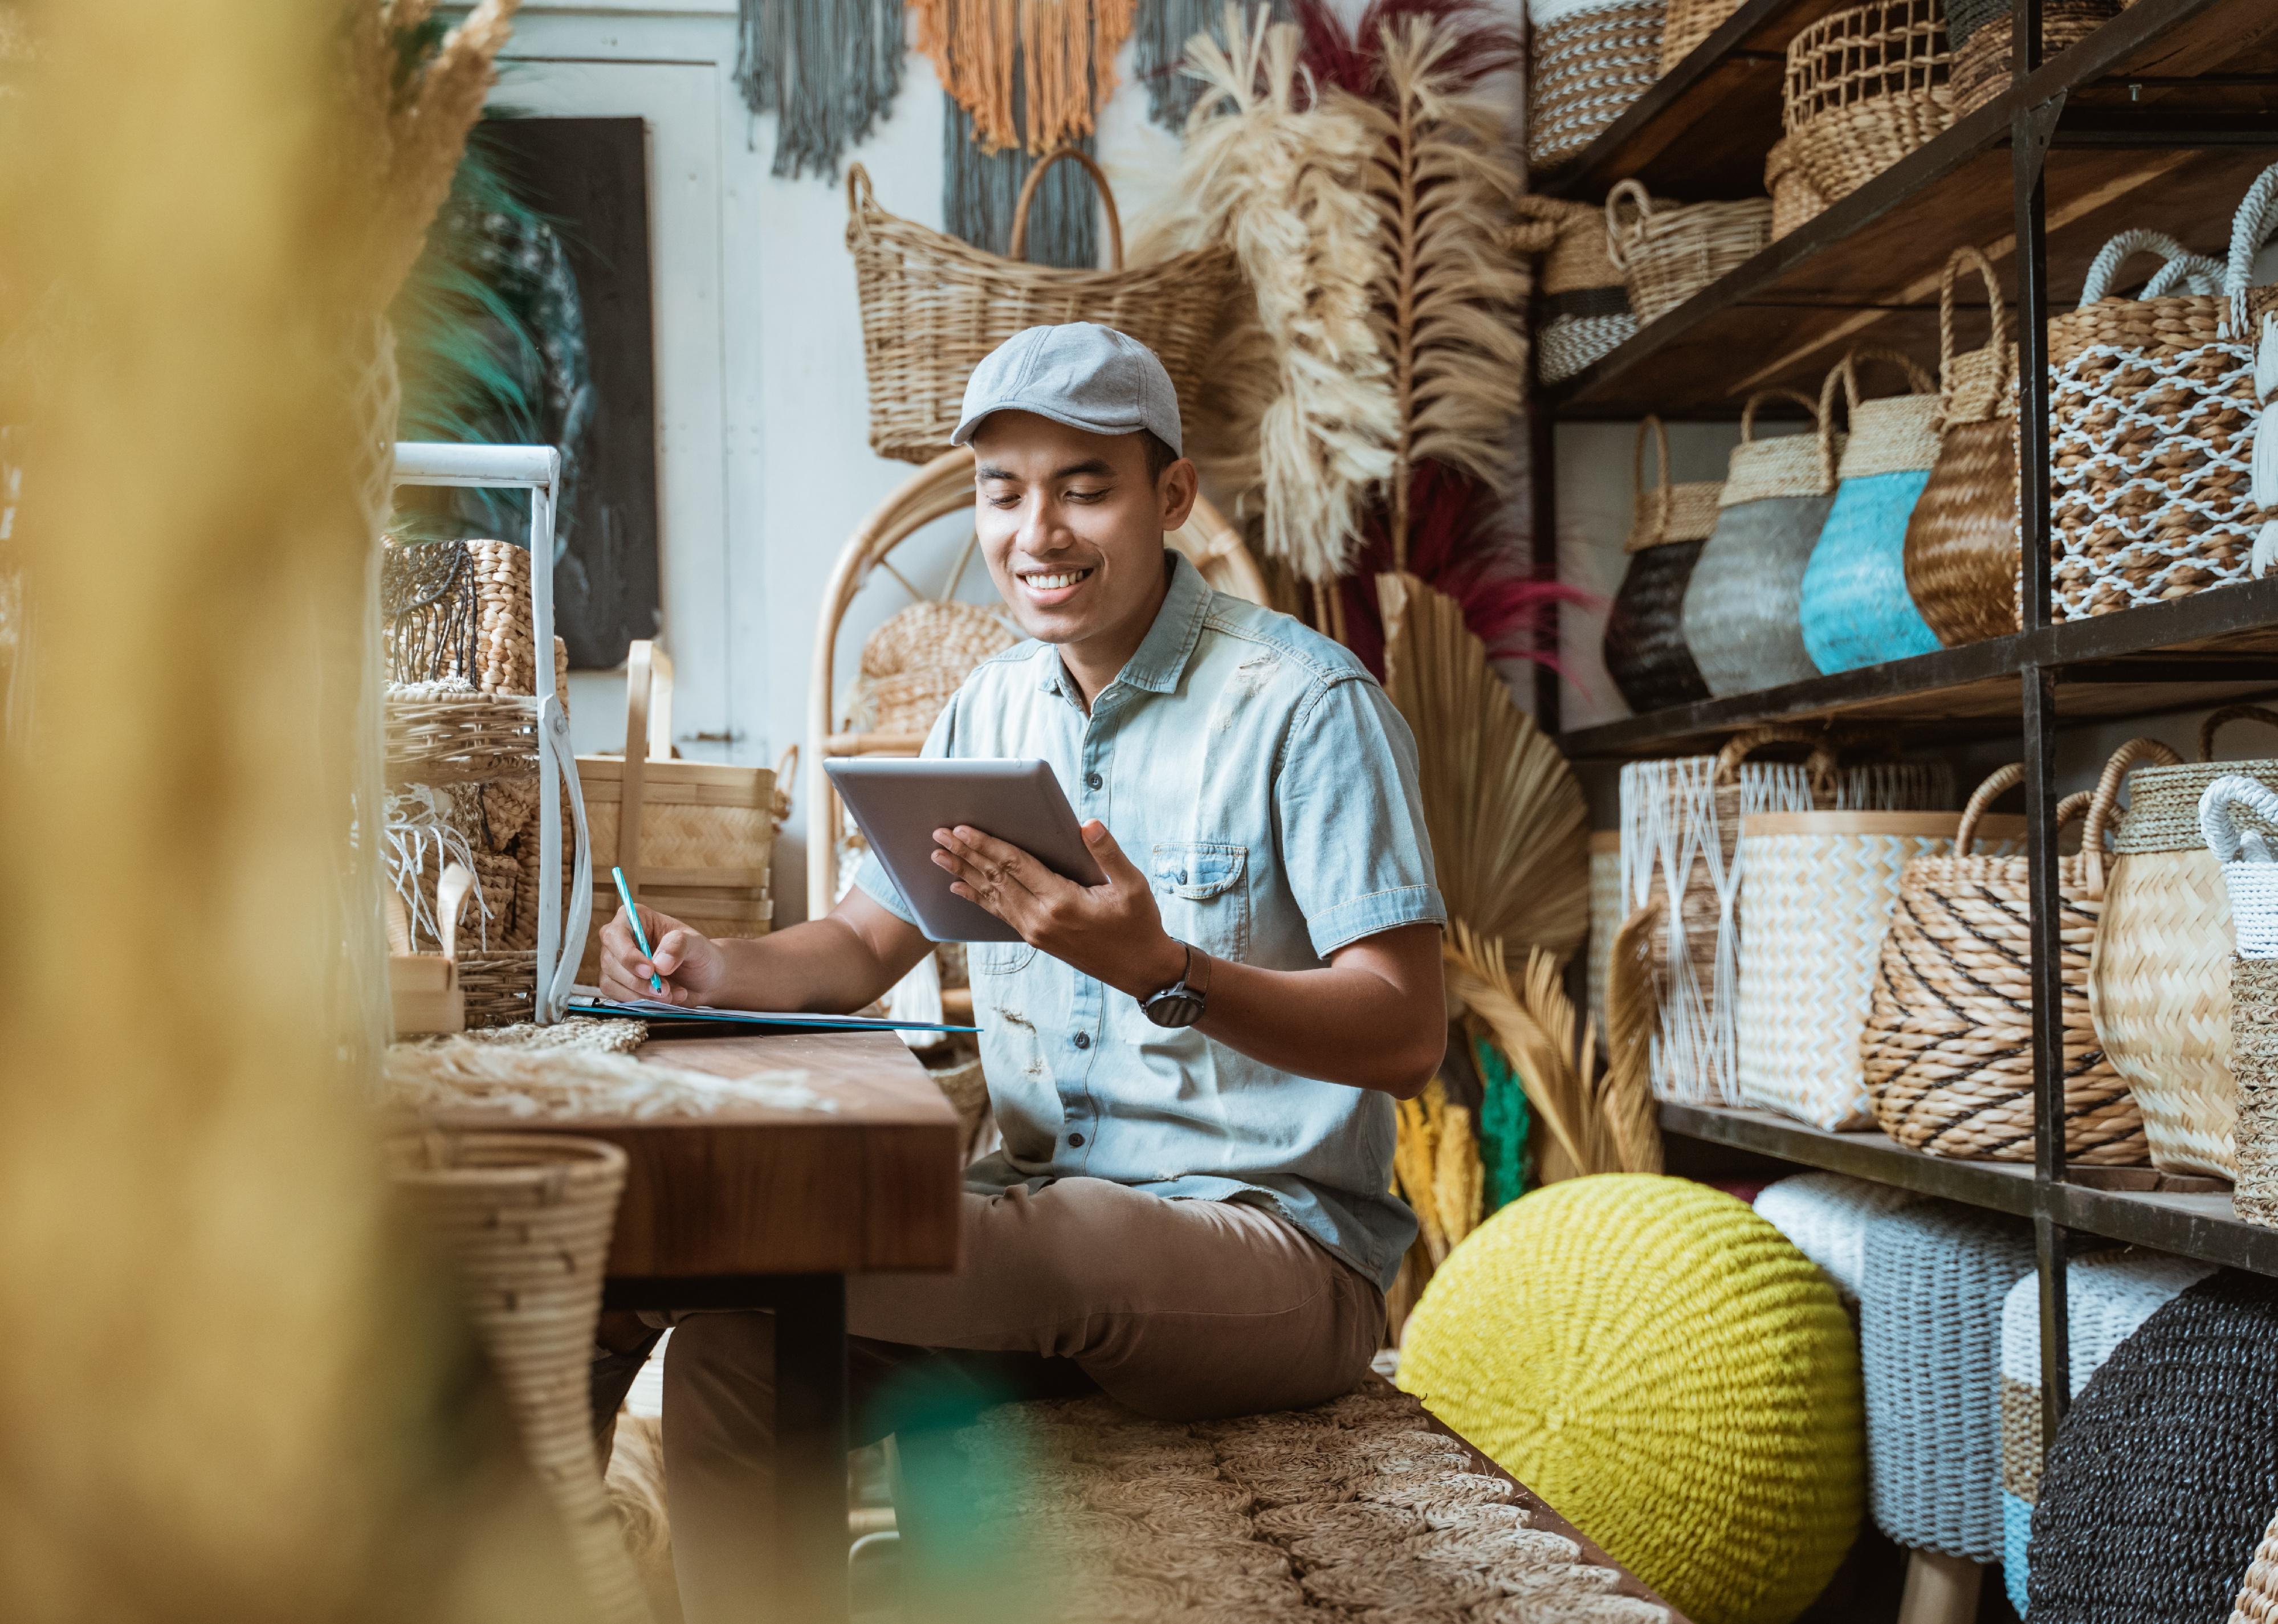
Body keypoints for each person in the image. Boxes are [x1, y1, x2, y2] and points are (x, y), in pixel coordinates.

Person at [593, 322, 1447, 1618]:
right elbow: (861, 945)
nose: (1034, 531)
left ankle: (650, 1267)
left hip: (1279, 1261)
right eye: (1004, 492)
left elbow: (1405, 1033)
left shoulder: (1304, 706)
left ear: (1170, 496)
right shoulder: (986, 710)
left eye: (1083, 486)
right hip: (1054, 1245)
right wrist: (709, 963)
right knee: (732, 1353)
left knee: (1055, 1233)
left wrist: (1162, 968)